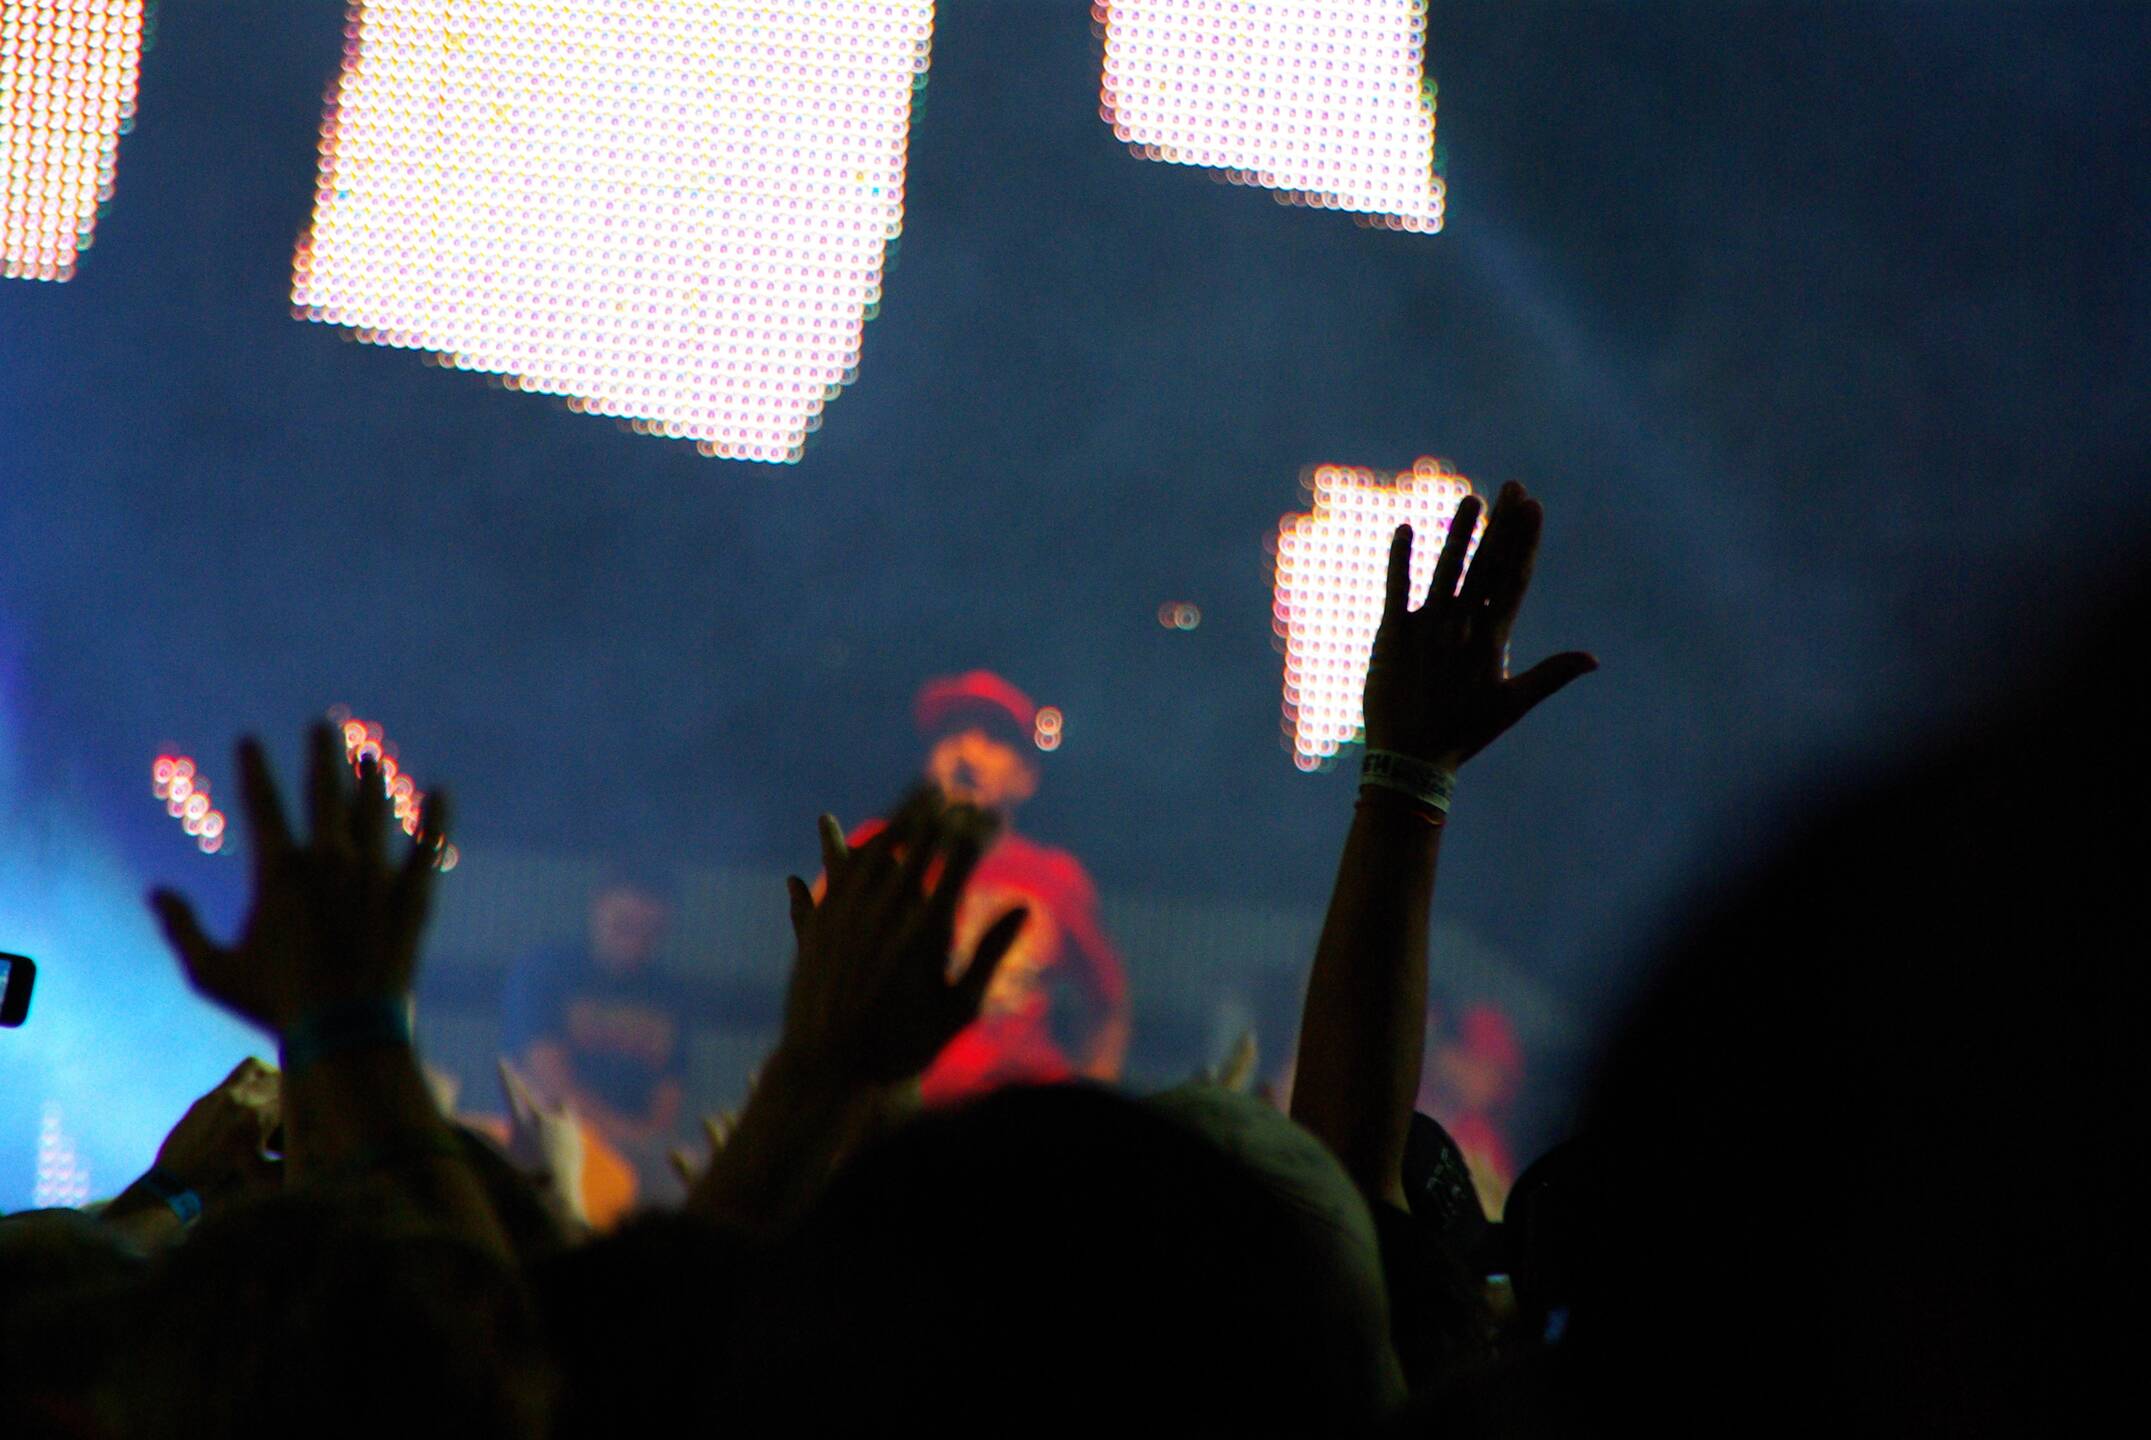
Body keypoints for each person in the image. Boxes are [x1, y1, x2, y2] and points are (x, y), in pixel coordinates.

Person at [843, 671, 1129, 1103]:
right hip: (896, 1113)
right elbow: (817, 970)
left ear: (1027, 777)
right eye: (951, 734)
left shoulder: (1053, 876)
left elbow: (1108, 1001)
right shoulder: (876, 852)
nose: (967, 752)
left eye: (994, 739)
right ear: (928, 761)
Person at [500, 873, 686, 1211]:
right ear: (598, 907)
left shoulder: (669, 994)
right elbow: (550, 1081)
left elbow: (669, 1095)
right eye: (624, 925)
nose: (634, 942)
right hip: (549, 1153)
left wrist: (645, 1147)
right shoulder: (545, 972)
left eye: (648, 933)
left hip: (634, 1163)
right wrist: (624, 1137)